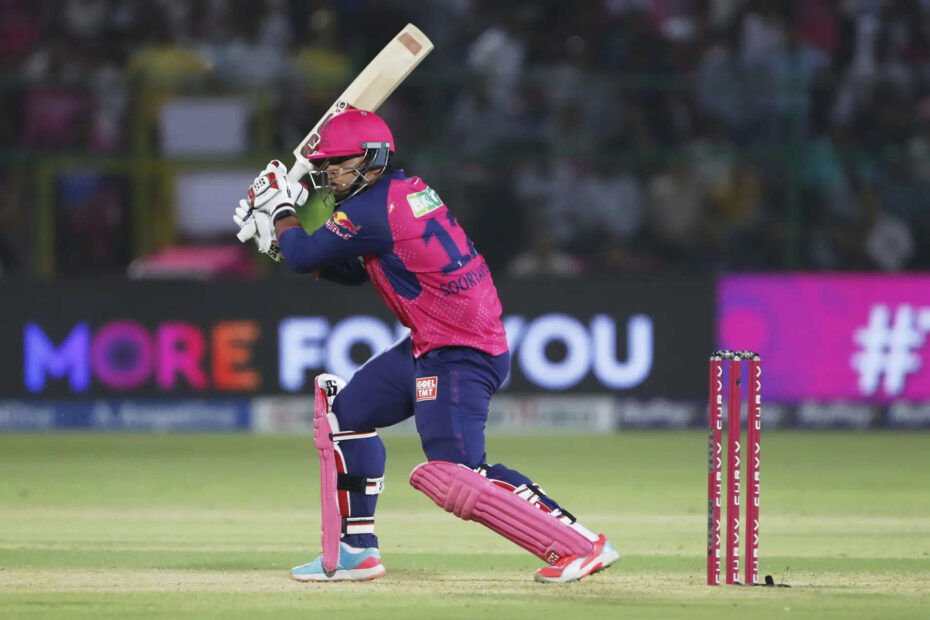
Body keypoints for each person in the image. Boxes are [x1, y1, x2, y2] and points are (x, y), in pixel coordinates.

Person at [233, 109, 618, 583]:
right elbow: (353, 269)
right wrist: (280, 237)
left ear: (372, 159)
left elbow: (305, 255)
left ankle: (580, 545)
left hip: (460, 354)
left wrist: (279, 211)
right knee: (346, 416)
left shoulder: (370, 210)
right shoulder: (399, 193)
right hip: (434, 343)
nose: (328, 173)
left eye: (338, 163)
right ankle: (356, 552)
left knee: (457, 471)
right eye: (325, 164)